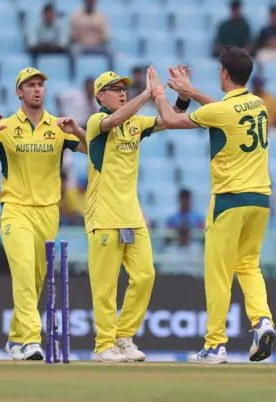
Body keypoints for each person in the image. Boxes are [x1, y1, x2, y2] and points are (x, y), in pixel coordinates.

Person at [148, 46, 276, 364]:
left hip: (229, 200)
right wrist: (191, 91)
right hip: (260, 200)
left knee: (217, 273)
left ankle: (215, 344)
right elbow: (222, 112)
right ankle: (262, 321)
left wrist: (159, 93)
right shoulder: (258, 104)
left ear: (224, 73)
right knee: (248, 266)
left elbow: (168, 119)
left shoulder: (220, 110)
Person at [0, 68, 87, 361]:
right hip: (15, 211)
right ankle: (31, 338)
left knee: (35, 279)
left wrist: (78, 130)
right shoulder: (4, 127)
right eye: (30, 85)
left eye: (41, 85)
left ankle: (16, 339)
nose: (37, 90)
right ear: (19, 92)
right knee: (23, 272)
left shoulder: (59, 126)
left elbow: (92, 150)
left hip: (47, 213)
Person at [84, 68, 191, 363]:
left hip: (132, 215)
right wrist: (147, 94)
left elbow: (170, 118)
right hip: (103, 215)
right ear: (100, 96)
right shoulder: (96, 122)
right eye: (114, 89)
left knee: (145, 276)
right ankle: (103, 345)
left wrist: (181, 95)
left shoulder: (136, 124)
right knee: (105, 285)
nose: (121, 92)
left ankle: (123, 336)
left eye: (123, 88)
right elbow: (114, 120)